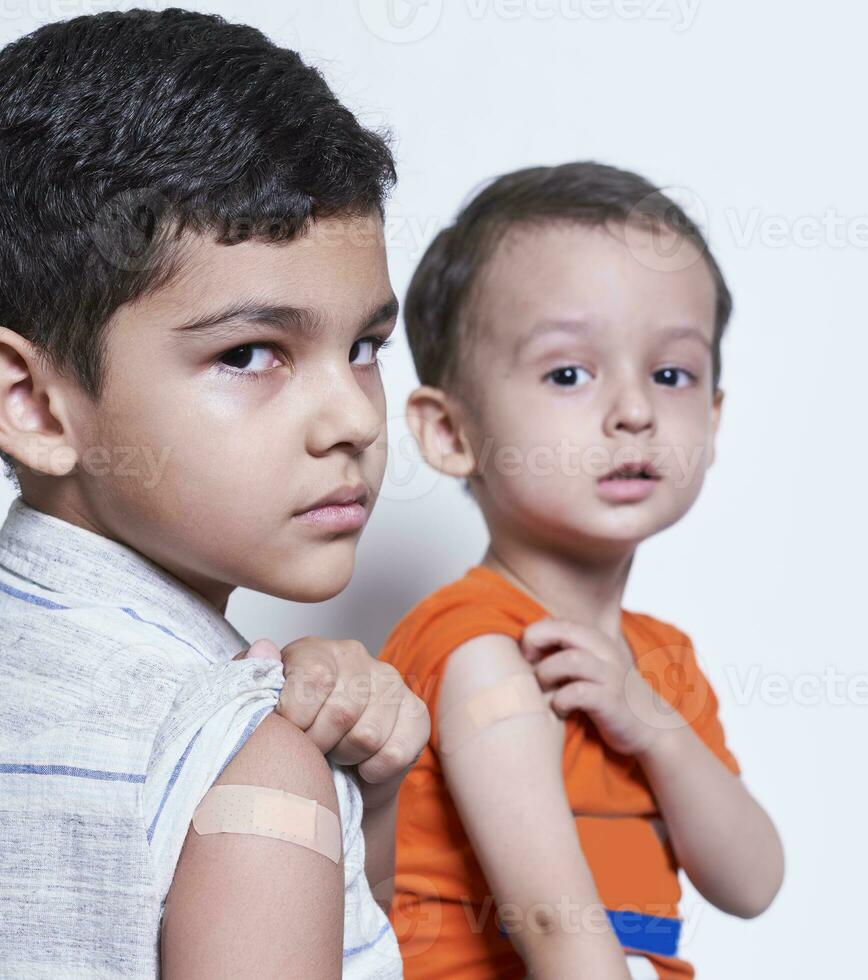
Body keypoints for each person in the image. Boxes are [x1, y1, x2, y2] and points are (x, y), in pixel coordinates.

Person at [0, 10, 428, 976]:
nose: (353, 420)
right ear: (31, 400)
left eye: (363, 348)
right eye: (249, 353)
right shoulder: (242, 754)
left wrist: (369, 802)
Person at [381, 161, 784, 978]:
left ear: (712, 418)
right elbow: (552, 924)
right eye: (569, 373)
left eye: (671, 375)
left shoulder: (662, 662)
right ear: (450, 431)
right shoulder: (479, 648)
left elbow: (752, 882)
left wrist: (656, 730)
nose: (635, 411)